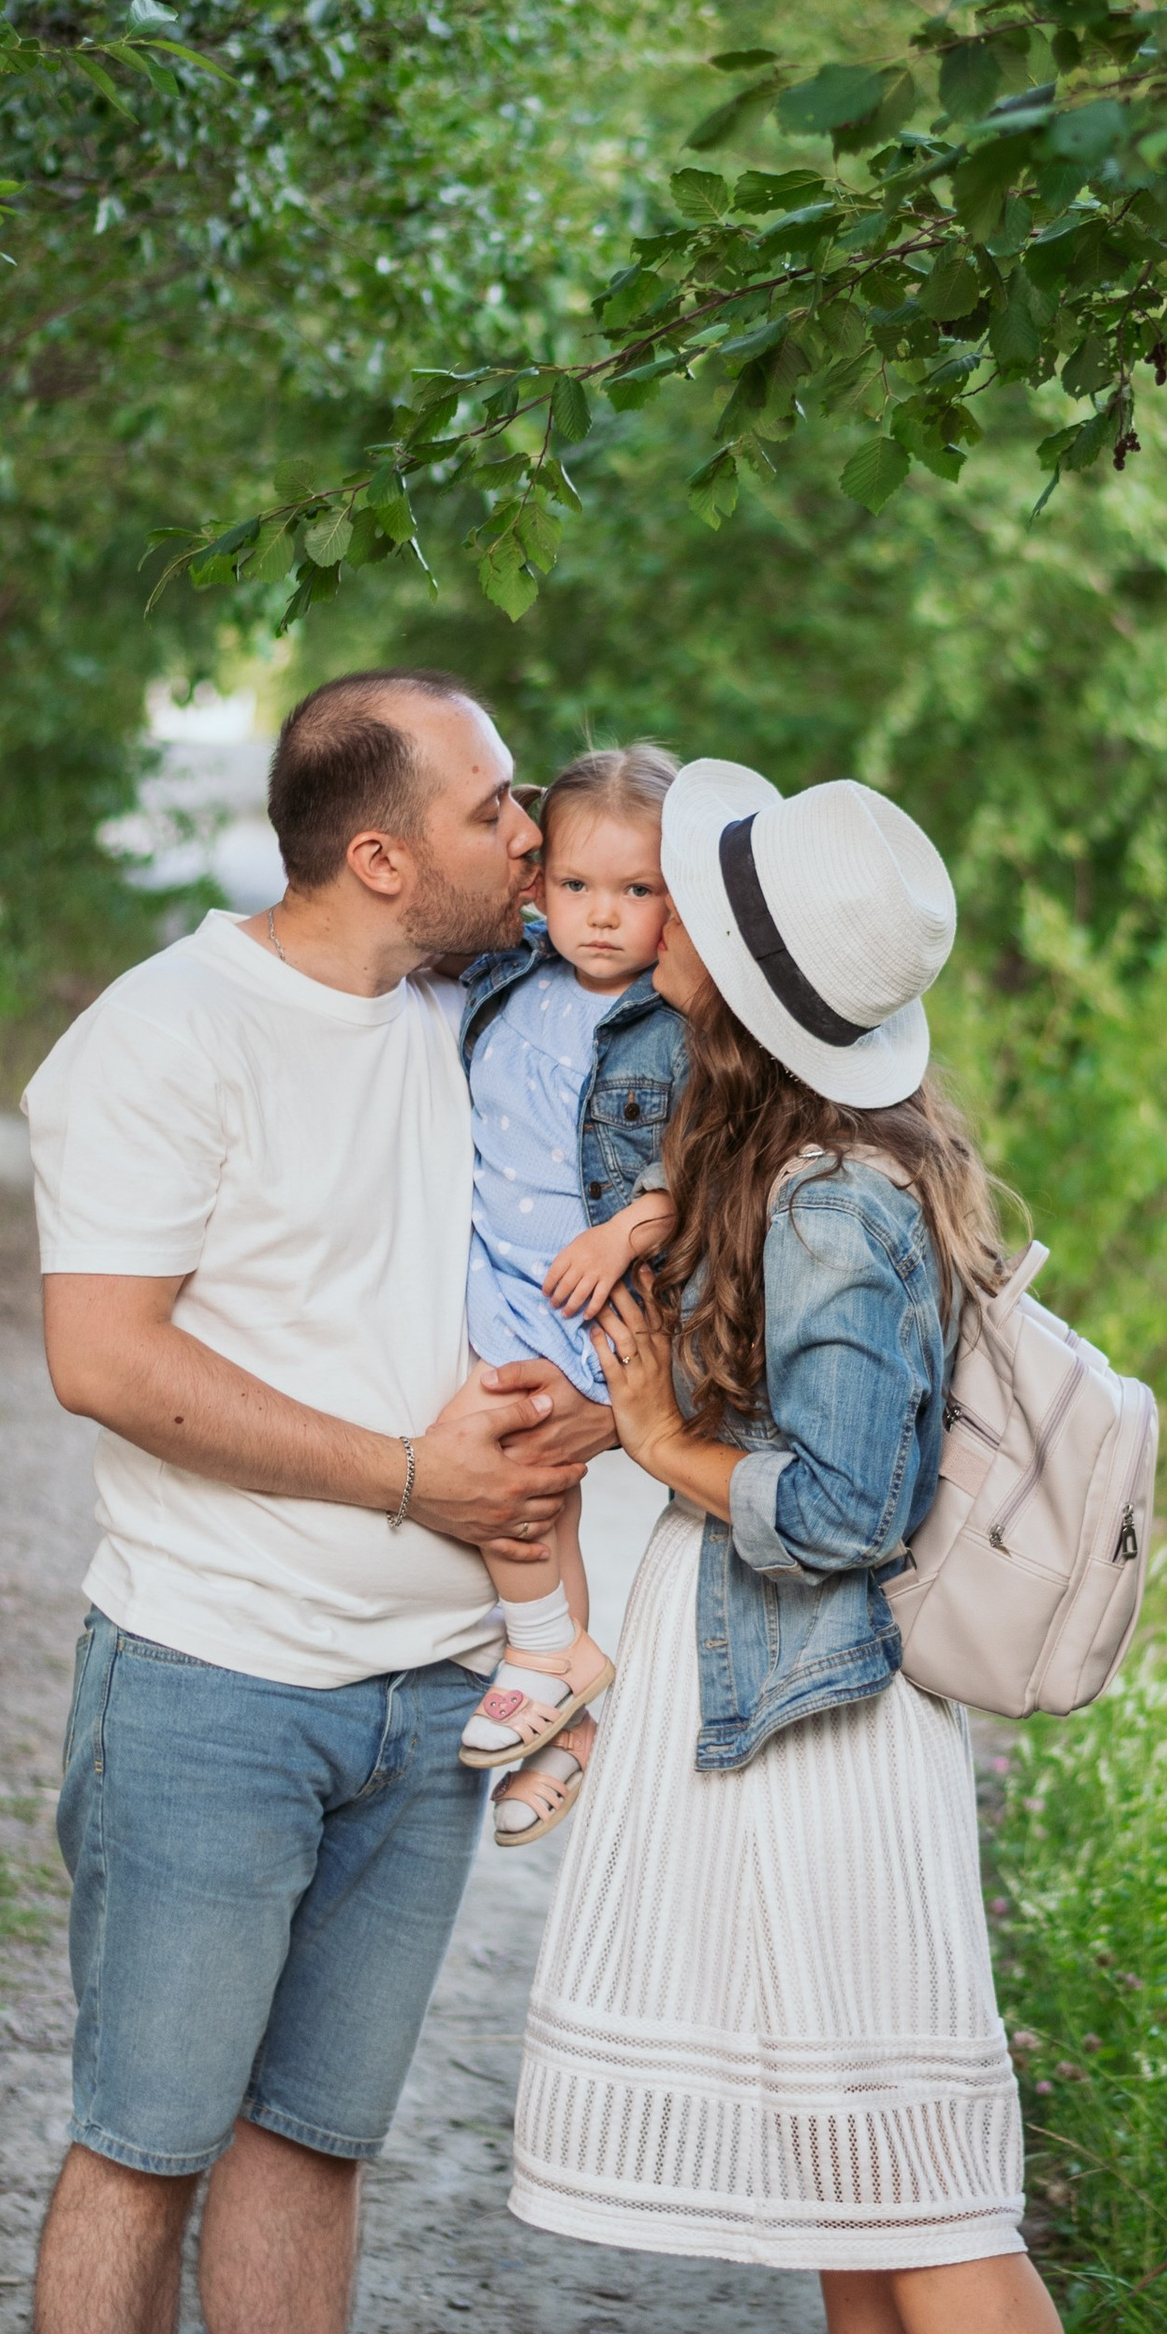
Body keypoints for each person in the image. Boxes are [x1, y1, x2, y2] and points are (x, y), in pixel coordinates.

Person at [507, 758, 1167, 2334]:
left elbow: (841, 1507)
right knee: (858, 2184)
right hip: (788, 1742)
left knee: (923, 2200)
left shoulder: (828, 1195)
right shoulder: (791, 1150)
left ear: (737, 976)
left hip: (834, 1750)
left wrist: (654, 1430)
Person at [19, 668, 613, 2334]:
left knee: (312, 2142)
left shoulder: (467, 1017)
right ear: (379, 853)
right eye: (488, 809)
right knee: (143, 2142)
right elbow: (101, 1355)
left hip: (422, 1694)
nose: (524, 835)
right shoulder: (161, 1040)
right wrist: (403, 1475)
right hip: (208, 1678)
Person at [452, 742, 688, 1850]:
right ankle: (570, 1719)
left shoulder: (677, 1022)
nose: (602, 916)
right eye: (578, 886)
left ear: (674, 902)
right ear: (537, 885)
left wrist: (629, 1227)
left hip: (586, 1292)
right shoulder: (508, 973)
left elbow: (717, 1161)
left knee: (522, 1459)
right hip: (494, 1264)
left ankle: (548, 1648)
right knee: (538, 1480)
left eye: (636, 891)